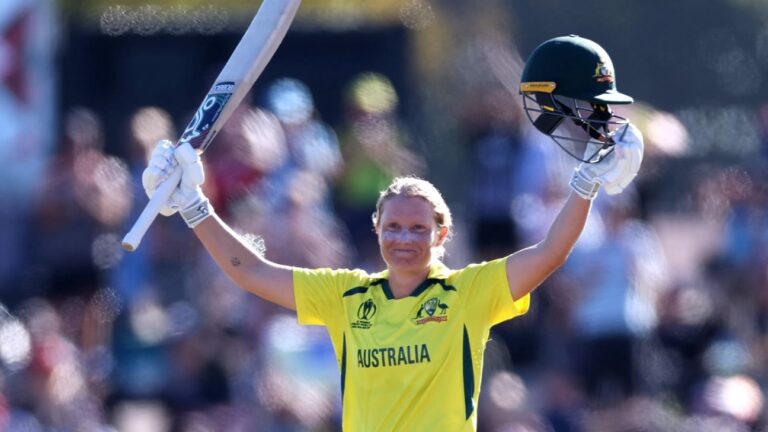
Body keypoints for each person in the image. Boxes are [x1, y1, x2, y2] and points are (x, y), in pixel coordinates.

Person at [140, 35, 644, 431]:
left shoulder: (468, 293)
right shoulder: (347, 296)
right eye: (394, 227)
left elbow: (551, 252)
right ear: (377, 231)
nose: (404, 238)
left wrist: (585, 184)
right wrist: (193, 205)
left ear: (441, 235)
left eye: (418, 228)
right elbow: (250, 271)